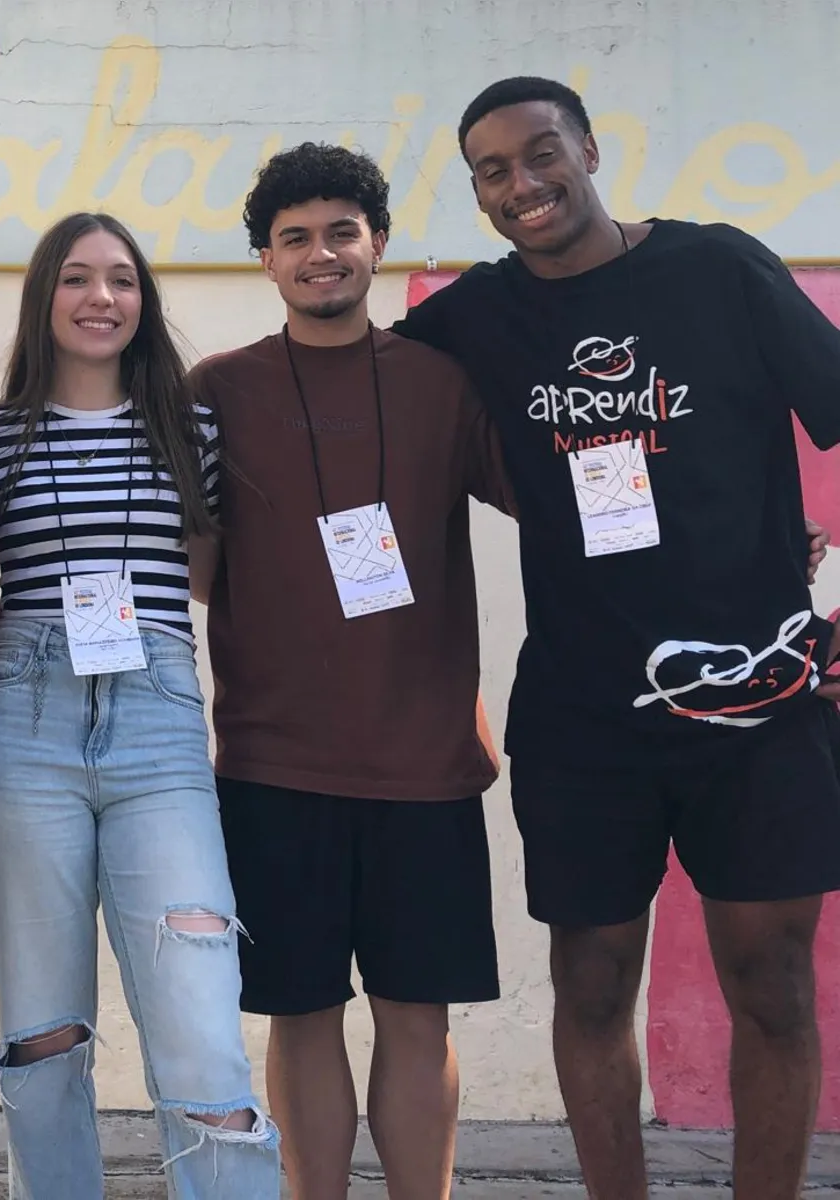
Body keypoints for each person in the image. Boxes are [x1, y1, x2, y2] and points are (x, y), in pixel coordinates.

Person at [394, 75, 840, 1199]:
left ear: (587, 149)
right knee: (589, 986)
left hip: (762, 703)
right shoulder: (474, 317)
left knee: (772, 982)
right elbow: (352, 388)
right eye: (490, 171)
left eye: (539, 153)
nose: (520, 184)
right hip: (582, 720)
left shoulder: (716, 267)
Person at [187, 142, 514, 1200]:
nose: (319, 254)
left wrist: (730, 530)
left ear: (374, 244)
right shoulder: (214, 390)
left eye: (340, 232)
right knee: (300, 1010)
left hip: (424, 761)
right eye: (294, 239)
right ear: (264, 261)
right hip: (273, 761)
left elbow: (558, 506)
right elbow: (180, 563)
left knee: (419, 1014)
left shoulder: (441, 382)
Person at [0, 211, 282, 1199]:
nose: (101, 298)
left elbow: (212, 576)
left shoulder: (194, 432)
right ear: (42, 297)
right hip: (22, 719)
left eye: (122, 280)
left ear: (143, 301)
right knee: (43, 1030)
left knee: (197, 1012)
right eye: (76, 278)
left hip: (158, 720)